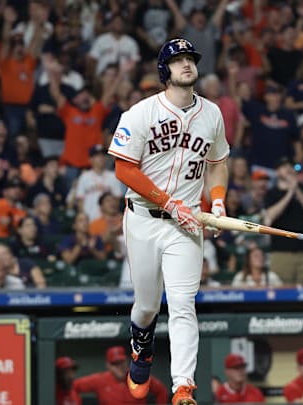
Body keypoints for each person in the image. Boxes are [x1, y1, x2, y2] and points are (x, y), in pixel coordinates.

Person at [107, 38, 229, 404]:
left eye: (190, 58)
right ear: (165, 70)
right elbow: (123, 169)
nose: (187, 64)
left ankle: (183, 386)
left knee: (182, 302)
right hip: (144, 219)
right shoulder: (140, 114)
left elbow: (218, 161)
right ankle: (141, 347)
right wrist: (168, 202)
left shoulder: (212, 114)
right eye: (178, 60)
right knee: (146, 306)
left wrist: (219, 202)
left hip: (186, 225)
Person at [71, 346, 168, 405]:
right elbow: (73, 386)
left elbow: (161, 391)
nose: (119, 367)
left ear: (126, 362)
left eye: (121, 362)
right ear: (108, 365)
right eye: (114, 363)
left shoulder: (138, 377)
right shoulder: (100, 379)